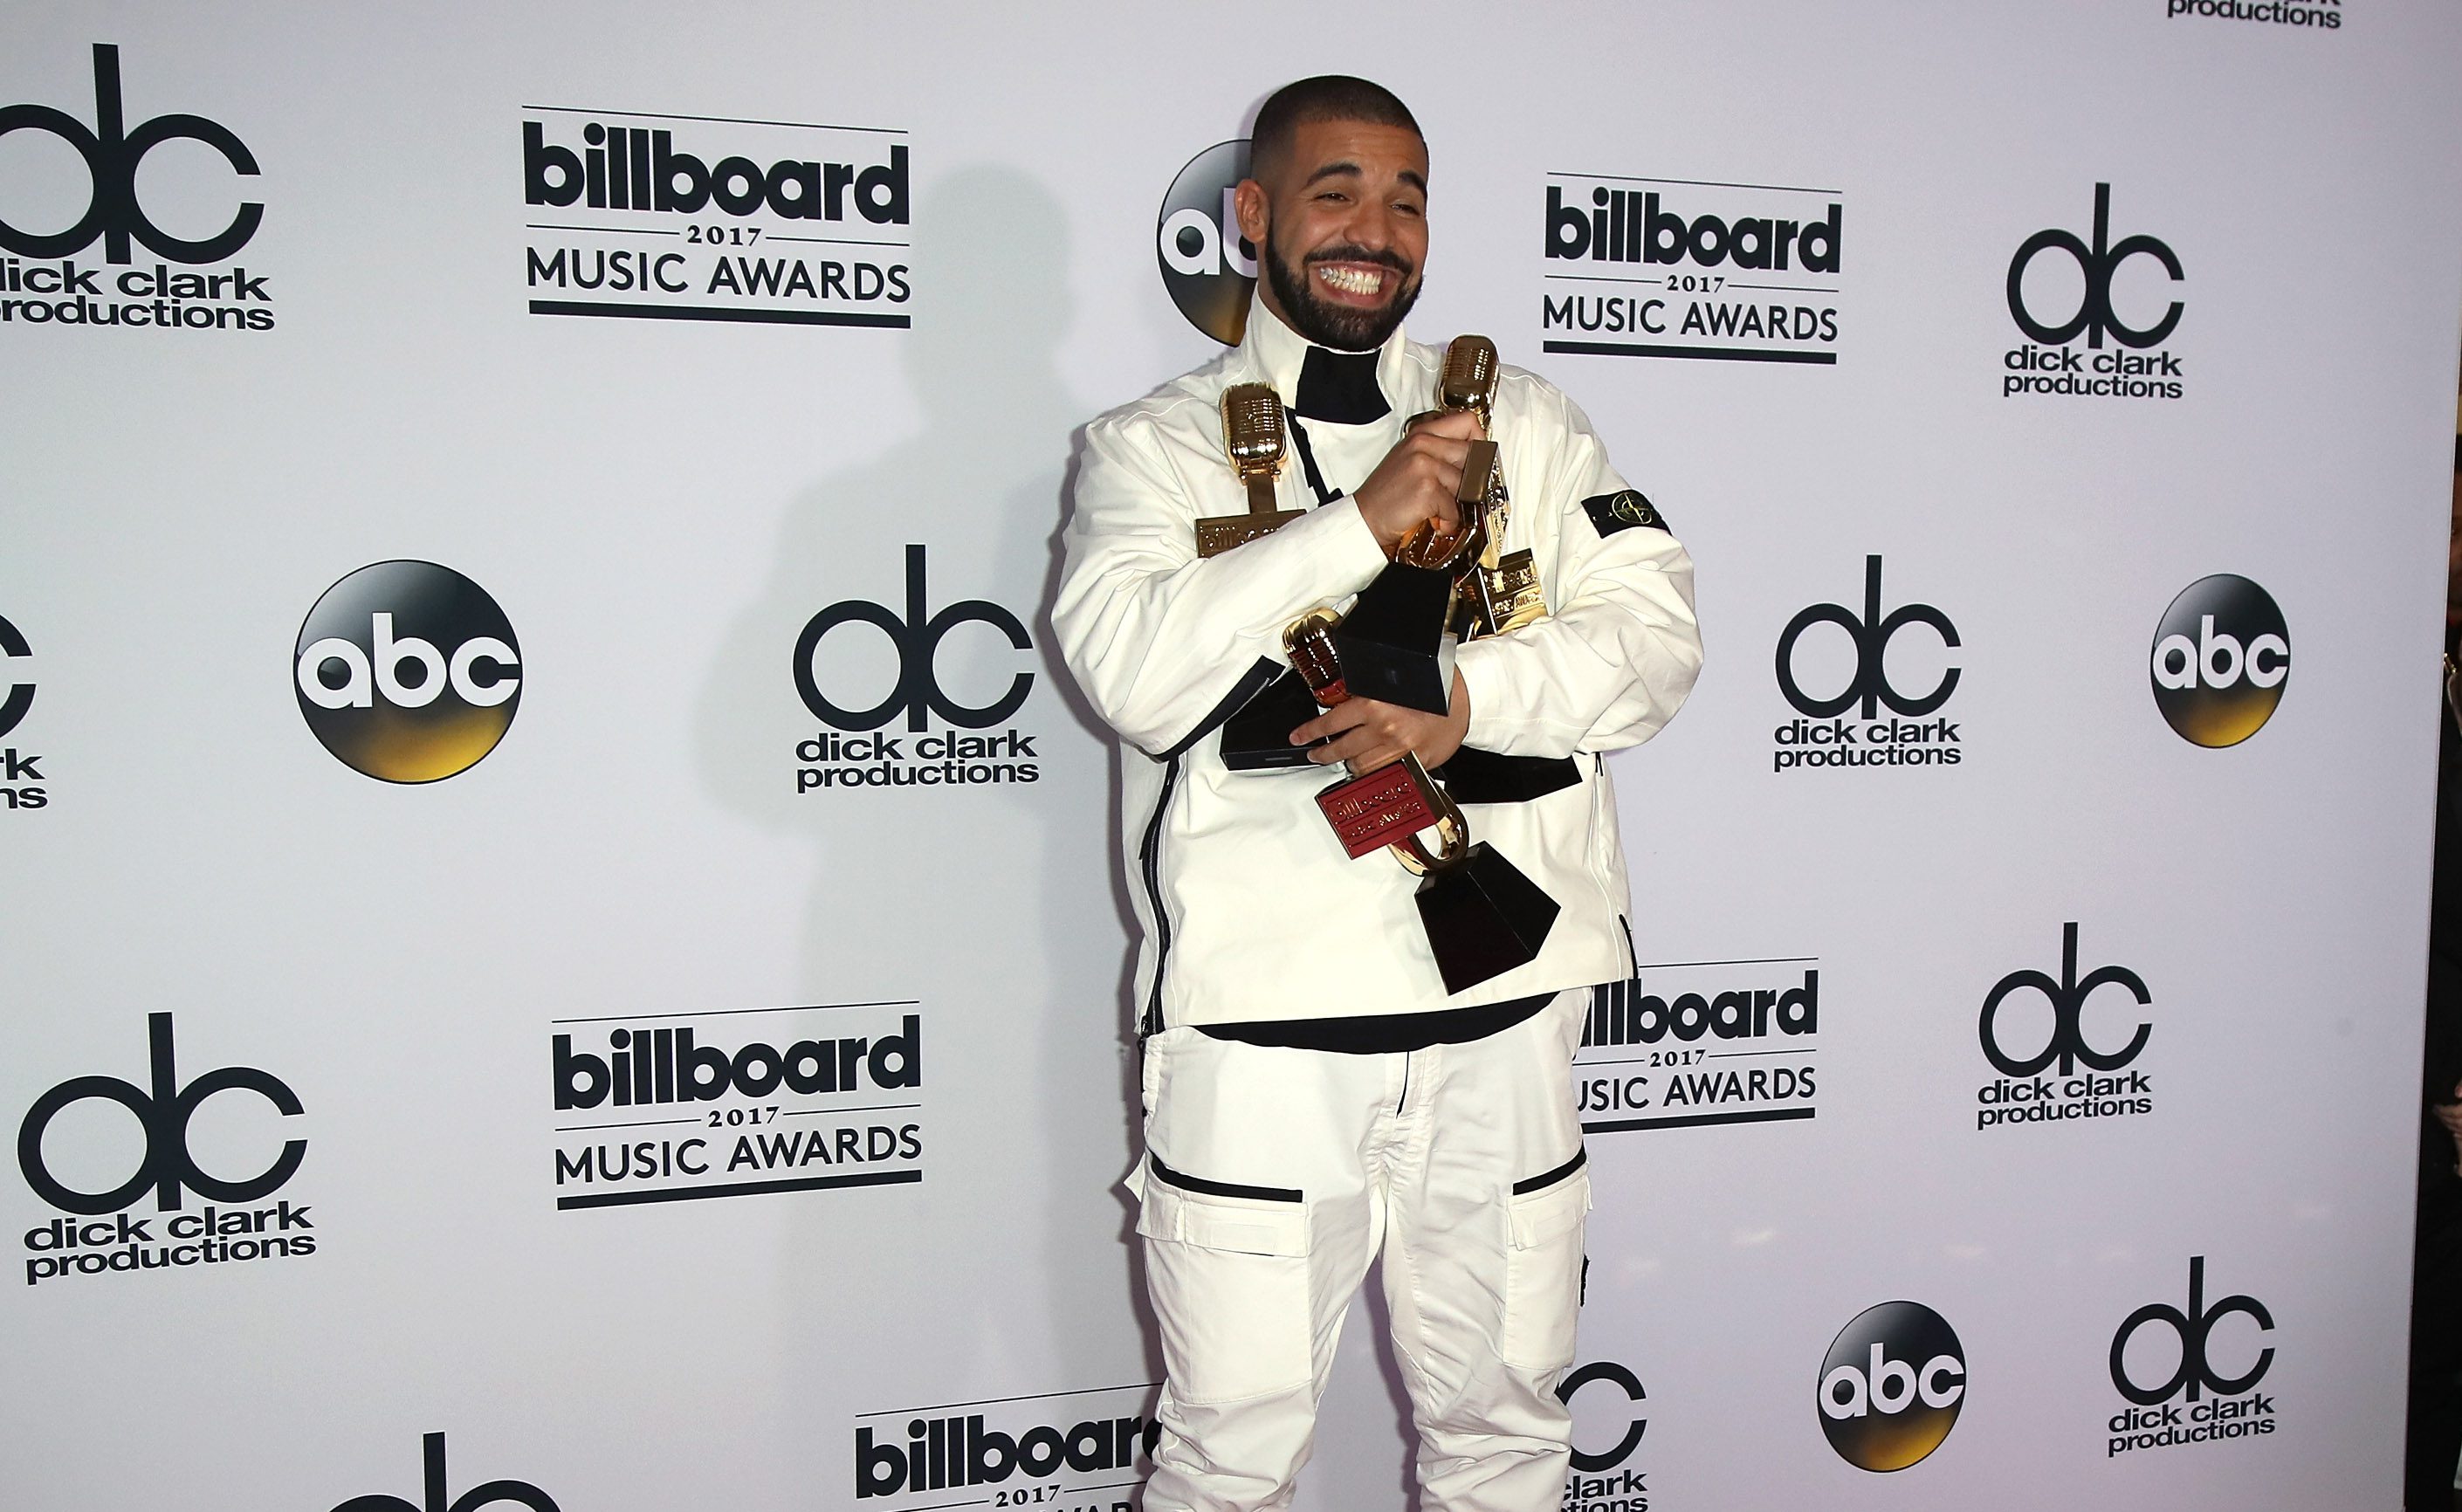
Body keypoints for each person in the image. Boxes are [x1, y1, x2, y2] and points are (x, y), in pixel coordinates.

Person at [1055, 76, 1700, 1512]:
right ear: (1253, 215)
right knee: (1229, 1459)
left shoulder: (1527, 426)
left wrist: (1466, 701)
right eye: (1335, 189)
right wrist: (1360, 522)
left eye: (1406, 197)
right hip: (1265, 1045)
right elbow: (1138, 678)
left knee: (1511, 1436)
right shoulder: (1149, 447)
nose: (1375, 228)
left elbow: (1657, 643)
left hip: (1505, 1024)